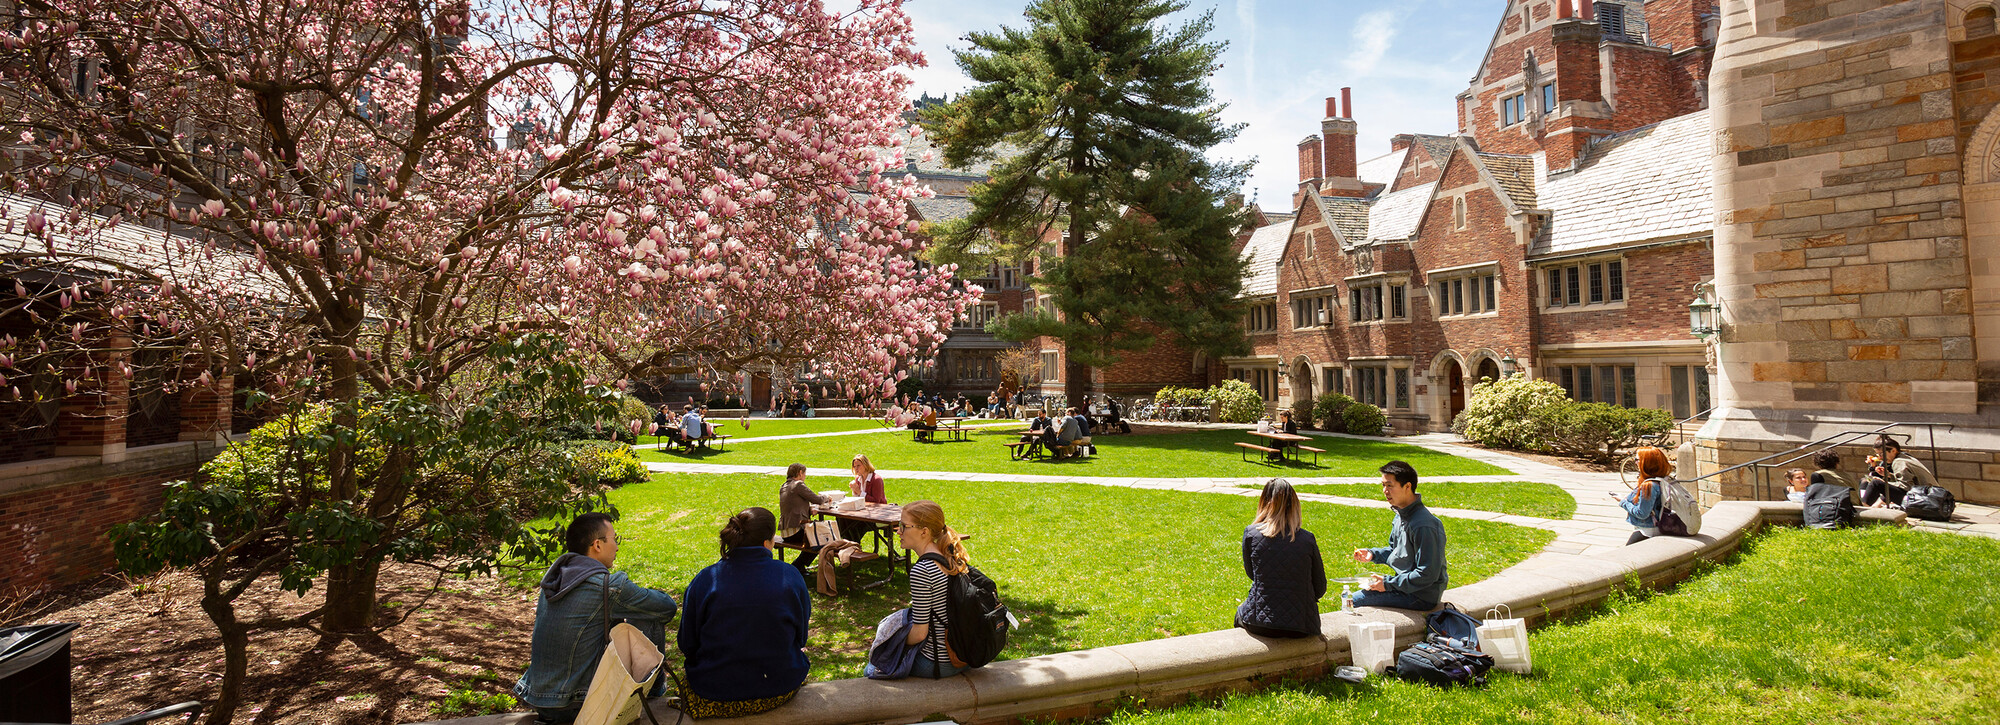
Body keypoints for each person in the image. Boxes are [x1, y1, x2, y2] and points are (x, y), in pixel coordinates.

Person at [516, 513, 678, 724]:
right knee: (649, 615)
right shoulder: (607, 587)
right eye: (614, 539)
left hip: (540, 699)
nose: (617, 547)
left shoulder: (557, 581)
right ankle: (653, 693)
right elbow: (667, 608)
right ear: (597, 545)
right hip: (578, 704)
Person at [676, 507, 811, 718]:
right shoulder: (790, 576)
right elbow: (801, 638)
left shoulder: (705, 580)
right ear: (768, 542)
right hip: (779, 687)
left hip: (714, 692)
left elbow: (687, 644)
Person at [865, 499, 971, 680]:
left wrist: (890, 639)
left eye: (904, 526)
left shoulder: (923, 570)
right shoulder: (949, 556)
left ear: (924, 532)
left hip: (939, 661)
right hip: (963, 655)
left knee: (871, 668)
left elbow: (920, 633)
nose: (898, 531)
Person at [1349, 461, 1446, 610]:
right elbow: (1397, 552)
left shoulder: (1424, 525)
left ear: (1407, 486)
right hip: (1406, 587)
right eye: (1383, 485)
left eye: (1390, 485)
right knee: (1355, 596)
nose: (1385, 491)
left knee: (1354, 600)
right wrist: (1372, 554)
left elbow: (1427, 574)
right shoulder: (1400, 514)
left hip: (1421, 596)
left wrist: (1387, 584)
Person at [1236, 479, 1326, 638]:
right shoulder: (1307, 539)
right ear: (1295, 506)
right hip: (1302, 626)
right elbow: (1320, 587)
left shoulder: (1251, 534)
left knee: (1239, 613)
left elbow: (1252, 574)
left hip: (1260, 623)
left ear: (1264, 503)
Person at [777, 463, 833, 576]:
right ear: (800, 473)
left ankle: (800, 566)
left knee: (817, 537)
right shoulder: (798, 485)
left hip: (785, 532)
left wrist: (809, 509)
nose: (805, 476)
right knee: (822, 539)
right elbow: (816, 499)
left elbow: (793, 505)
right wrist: (827, 497)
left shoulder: (784, 486)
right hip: (796, 530)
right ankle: (797, 566)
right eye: (804, 473)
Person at [1619, 447, 1677, 545]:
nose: (1635, 462)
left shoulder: (1649, 485)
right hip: (1660, 527)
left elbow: (1642, 513)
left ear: (1646, 463)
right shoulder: (1665, 480)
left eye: (1637, 460)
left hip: (1647, 531)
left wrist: (1622, 502)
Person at [1861, 435, 1934, 508]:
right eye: (1878, 454)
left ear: (1893, 451)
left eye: (1882, 454)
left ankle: (1863, 509)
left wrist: (1884, 483)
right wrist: (1889, 475)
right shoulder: (1904, 457)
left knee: (1875, 483)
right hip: (1925, 496)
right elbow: (1907, 480)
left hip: (1923, 498)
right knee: (1873, 482)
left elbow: (1906, 486)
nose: (1880, 457)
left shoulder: (1899, 462)